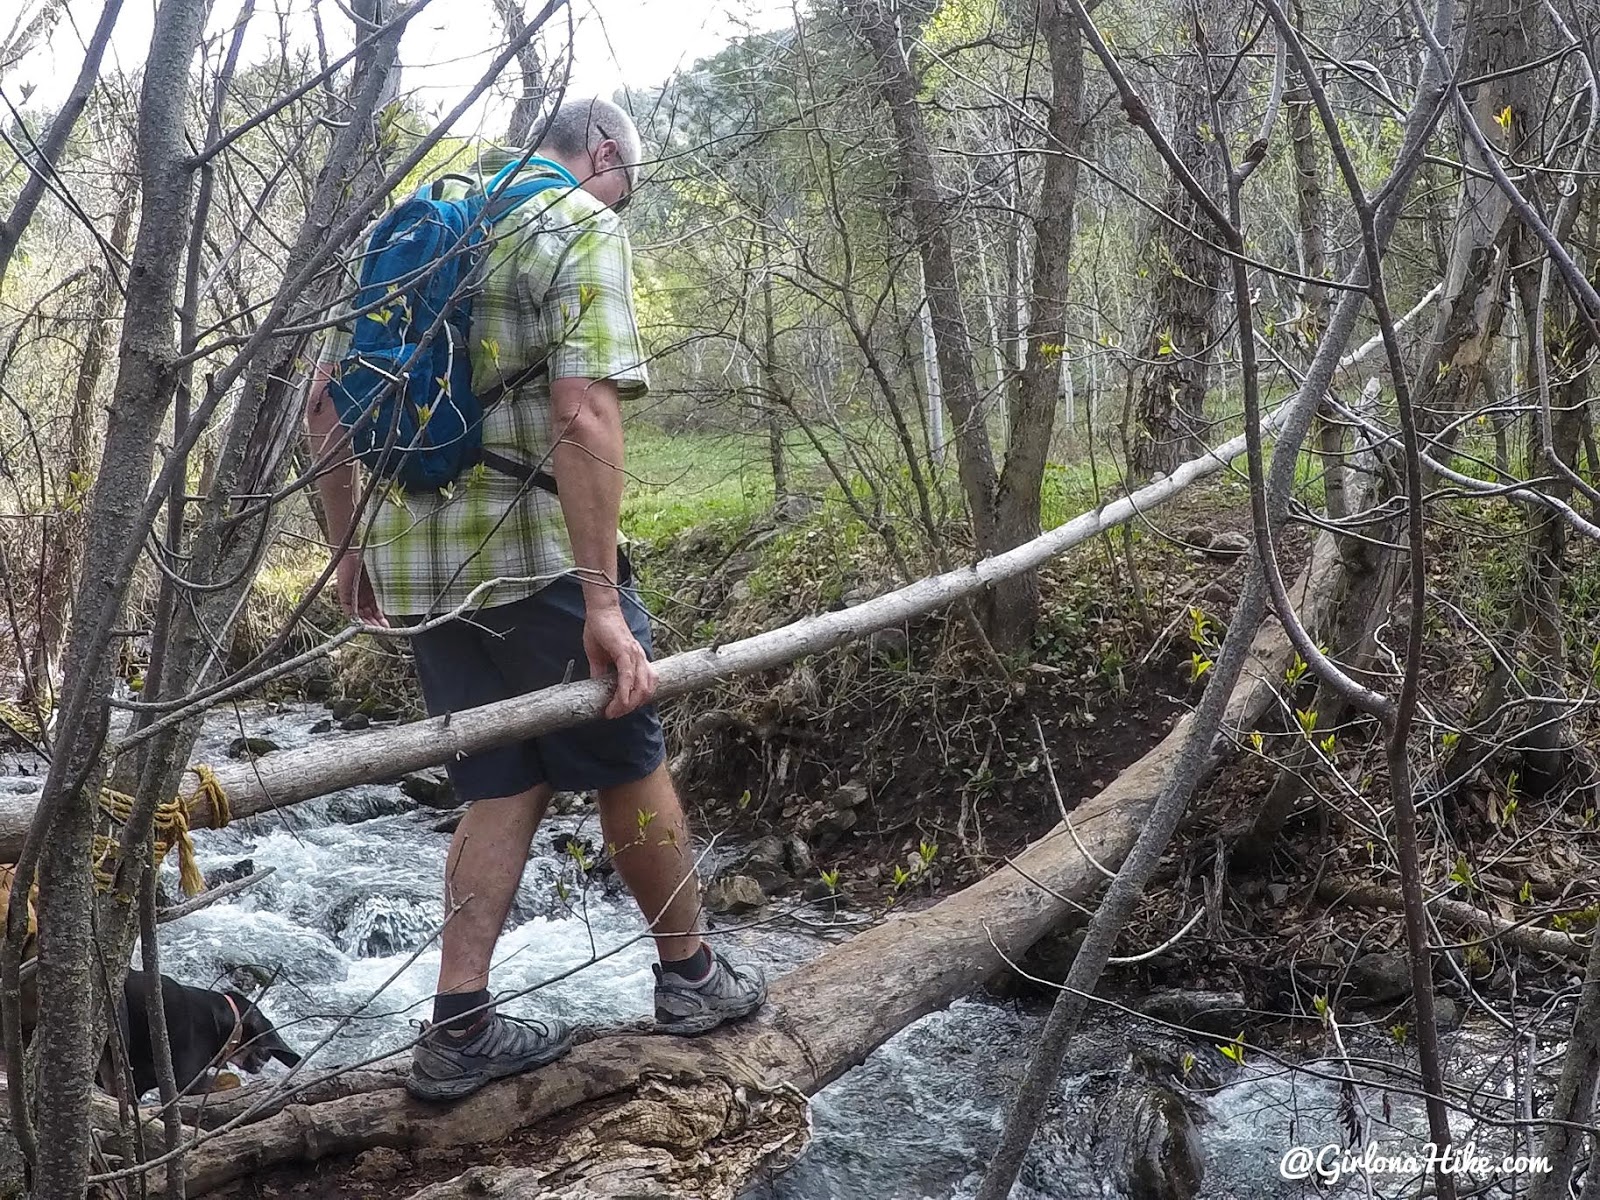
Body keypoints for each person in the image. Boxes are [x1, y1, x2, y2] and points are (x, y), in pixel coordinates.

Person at [305, 97, 766, 1103]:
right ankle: (690, 978)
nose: (621, 206)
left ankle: (460, 1023)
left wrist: (348, 549)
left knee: (496, 780)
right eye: (624, 188)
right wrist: (601, 599)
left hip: (425, 575)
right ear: (602, 154)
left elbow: (325, 405)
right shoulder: (575, 225)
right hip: (537, 562)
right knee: (628, 753)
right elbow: (584, 409)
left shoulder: (417, 225)